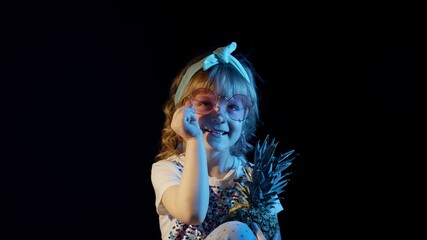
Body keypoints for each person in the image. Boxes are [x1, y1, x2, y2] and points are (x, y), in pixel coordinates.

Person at [151, 42, 283, 240]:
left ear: (246, 117)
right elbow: (192, 213)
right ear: (181, 110)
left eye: (233, 107)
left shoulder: (256, 179)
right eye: (205, 103)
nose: (220, 115)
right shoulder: (169, 169)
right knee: (235, 230)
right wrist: (194, 140)